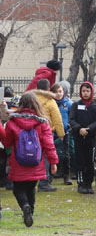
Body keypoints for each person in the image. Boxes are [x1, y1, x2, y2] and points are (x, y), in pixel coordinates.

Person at [0, 92, 58, 227]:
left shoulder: (12, 122)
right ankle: (30, 211)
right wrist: (53, 162)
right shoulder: (43, 123)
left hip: (18, 163)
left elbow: (7, 143)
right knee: (31, 187)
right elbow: (49, 145)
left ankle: (25, 206)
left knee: (18, 189)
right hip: (36, 163)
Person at [32, 78, 65, 192]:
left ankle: (31, 181)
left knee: (32, 155)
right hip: (46, 132)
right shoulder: (50, 101)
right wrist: (61, 134)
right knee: (45, 157)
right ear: (48, 88)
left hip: (30, 132)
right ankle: (44, 182)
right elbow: (57, 119)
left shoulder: (31, 100)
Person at [69, 82, 96, 194]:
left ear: (91, 92)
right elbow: (72, 120)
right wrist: (79, 129)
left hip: (90, 138)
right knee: (80, 161)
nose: (85, 93)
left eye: (88, 91)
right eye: (83, 91)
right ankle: (81, 183)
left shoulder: (95, 106)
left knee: (90, 161)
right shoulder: (75, 105)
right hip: (78, 138)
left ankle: (89, 183)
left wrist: (88, 129)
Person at [51, 83, 73, 185]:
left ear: (63, 92)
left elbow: (72, 117)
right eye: (56, 92)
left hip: (65, 132)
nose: (58, 94)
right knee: (51, 154)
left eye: (60, 91)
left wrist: (68, 126)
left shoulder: (68, 104)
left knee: (66, 155)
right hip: (51, 132)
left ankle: (66, 176)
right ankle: (50, 175)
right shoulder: (50, 103)